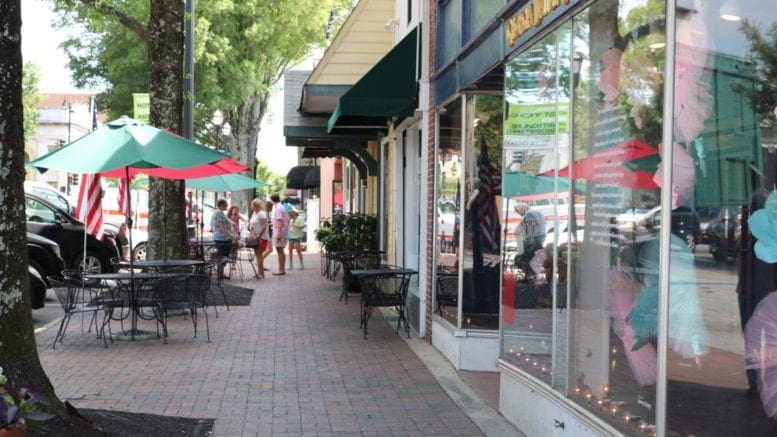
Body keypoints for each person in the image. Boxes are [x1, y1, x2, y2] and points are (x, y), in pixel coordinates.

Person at [210, 199, 236, 280]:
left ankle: (221, 273)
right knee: (223, 256)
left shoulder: (216, 212)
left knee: (222, 255)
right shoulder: (220, 213)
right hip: (223, 238)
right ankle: (220, 274)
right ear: (221, 205)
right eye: (225, 205)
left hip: (220, 237)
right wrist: (231, 235)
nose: (227, 207)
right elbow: (222, 226)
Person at [247, 198, 270, 279]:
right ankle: (260, 273)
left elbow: (264, 225)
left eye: (253, 205)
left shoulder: (262, 213)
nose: (252, 206)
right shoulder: (255, 213)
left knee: (259, 255)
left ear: (257, 205)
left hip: (261, 237)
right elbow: (252, 224)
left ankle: (261, 274)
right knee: (258, 255)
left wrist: (259, 235)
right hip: (255, 237)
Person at [270, 193, 289, 275]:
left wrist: (278, 234)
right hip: (281, 231)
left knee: (280, 251)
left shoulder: (278, 208)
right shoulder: (280, 206)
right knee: (280, 251)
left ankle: (281, 270)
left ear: (272, 200)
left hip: (279, 232)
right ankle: (281, 269)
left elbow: (279, 221)